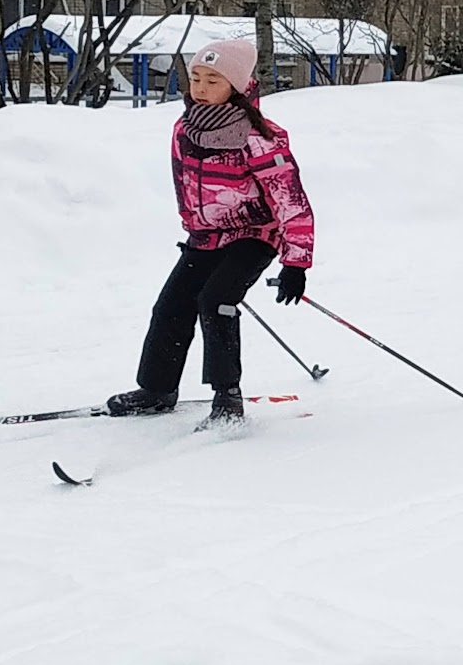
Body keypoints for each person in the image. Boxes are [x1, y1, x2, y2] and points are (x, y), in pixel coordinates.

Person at [107, 39, 316, 428]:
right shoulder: (184, 128)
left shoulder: (260, 137)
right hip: (206, 236)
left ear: (236, 86)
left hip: (255, 234)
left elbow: (291, 200)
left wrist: (295, 263)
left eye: (212, 80)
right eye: (196, 78)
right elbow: (184, 183)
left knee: (216, 301)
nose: (200, 88)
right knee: (170, 306)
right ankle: (157, 389)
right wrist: (194, 227)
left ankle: (227, 398)